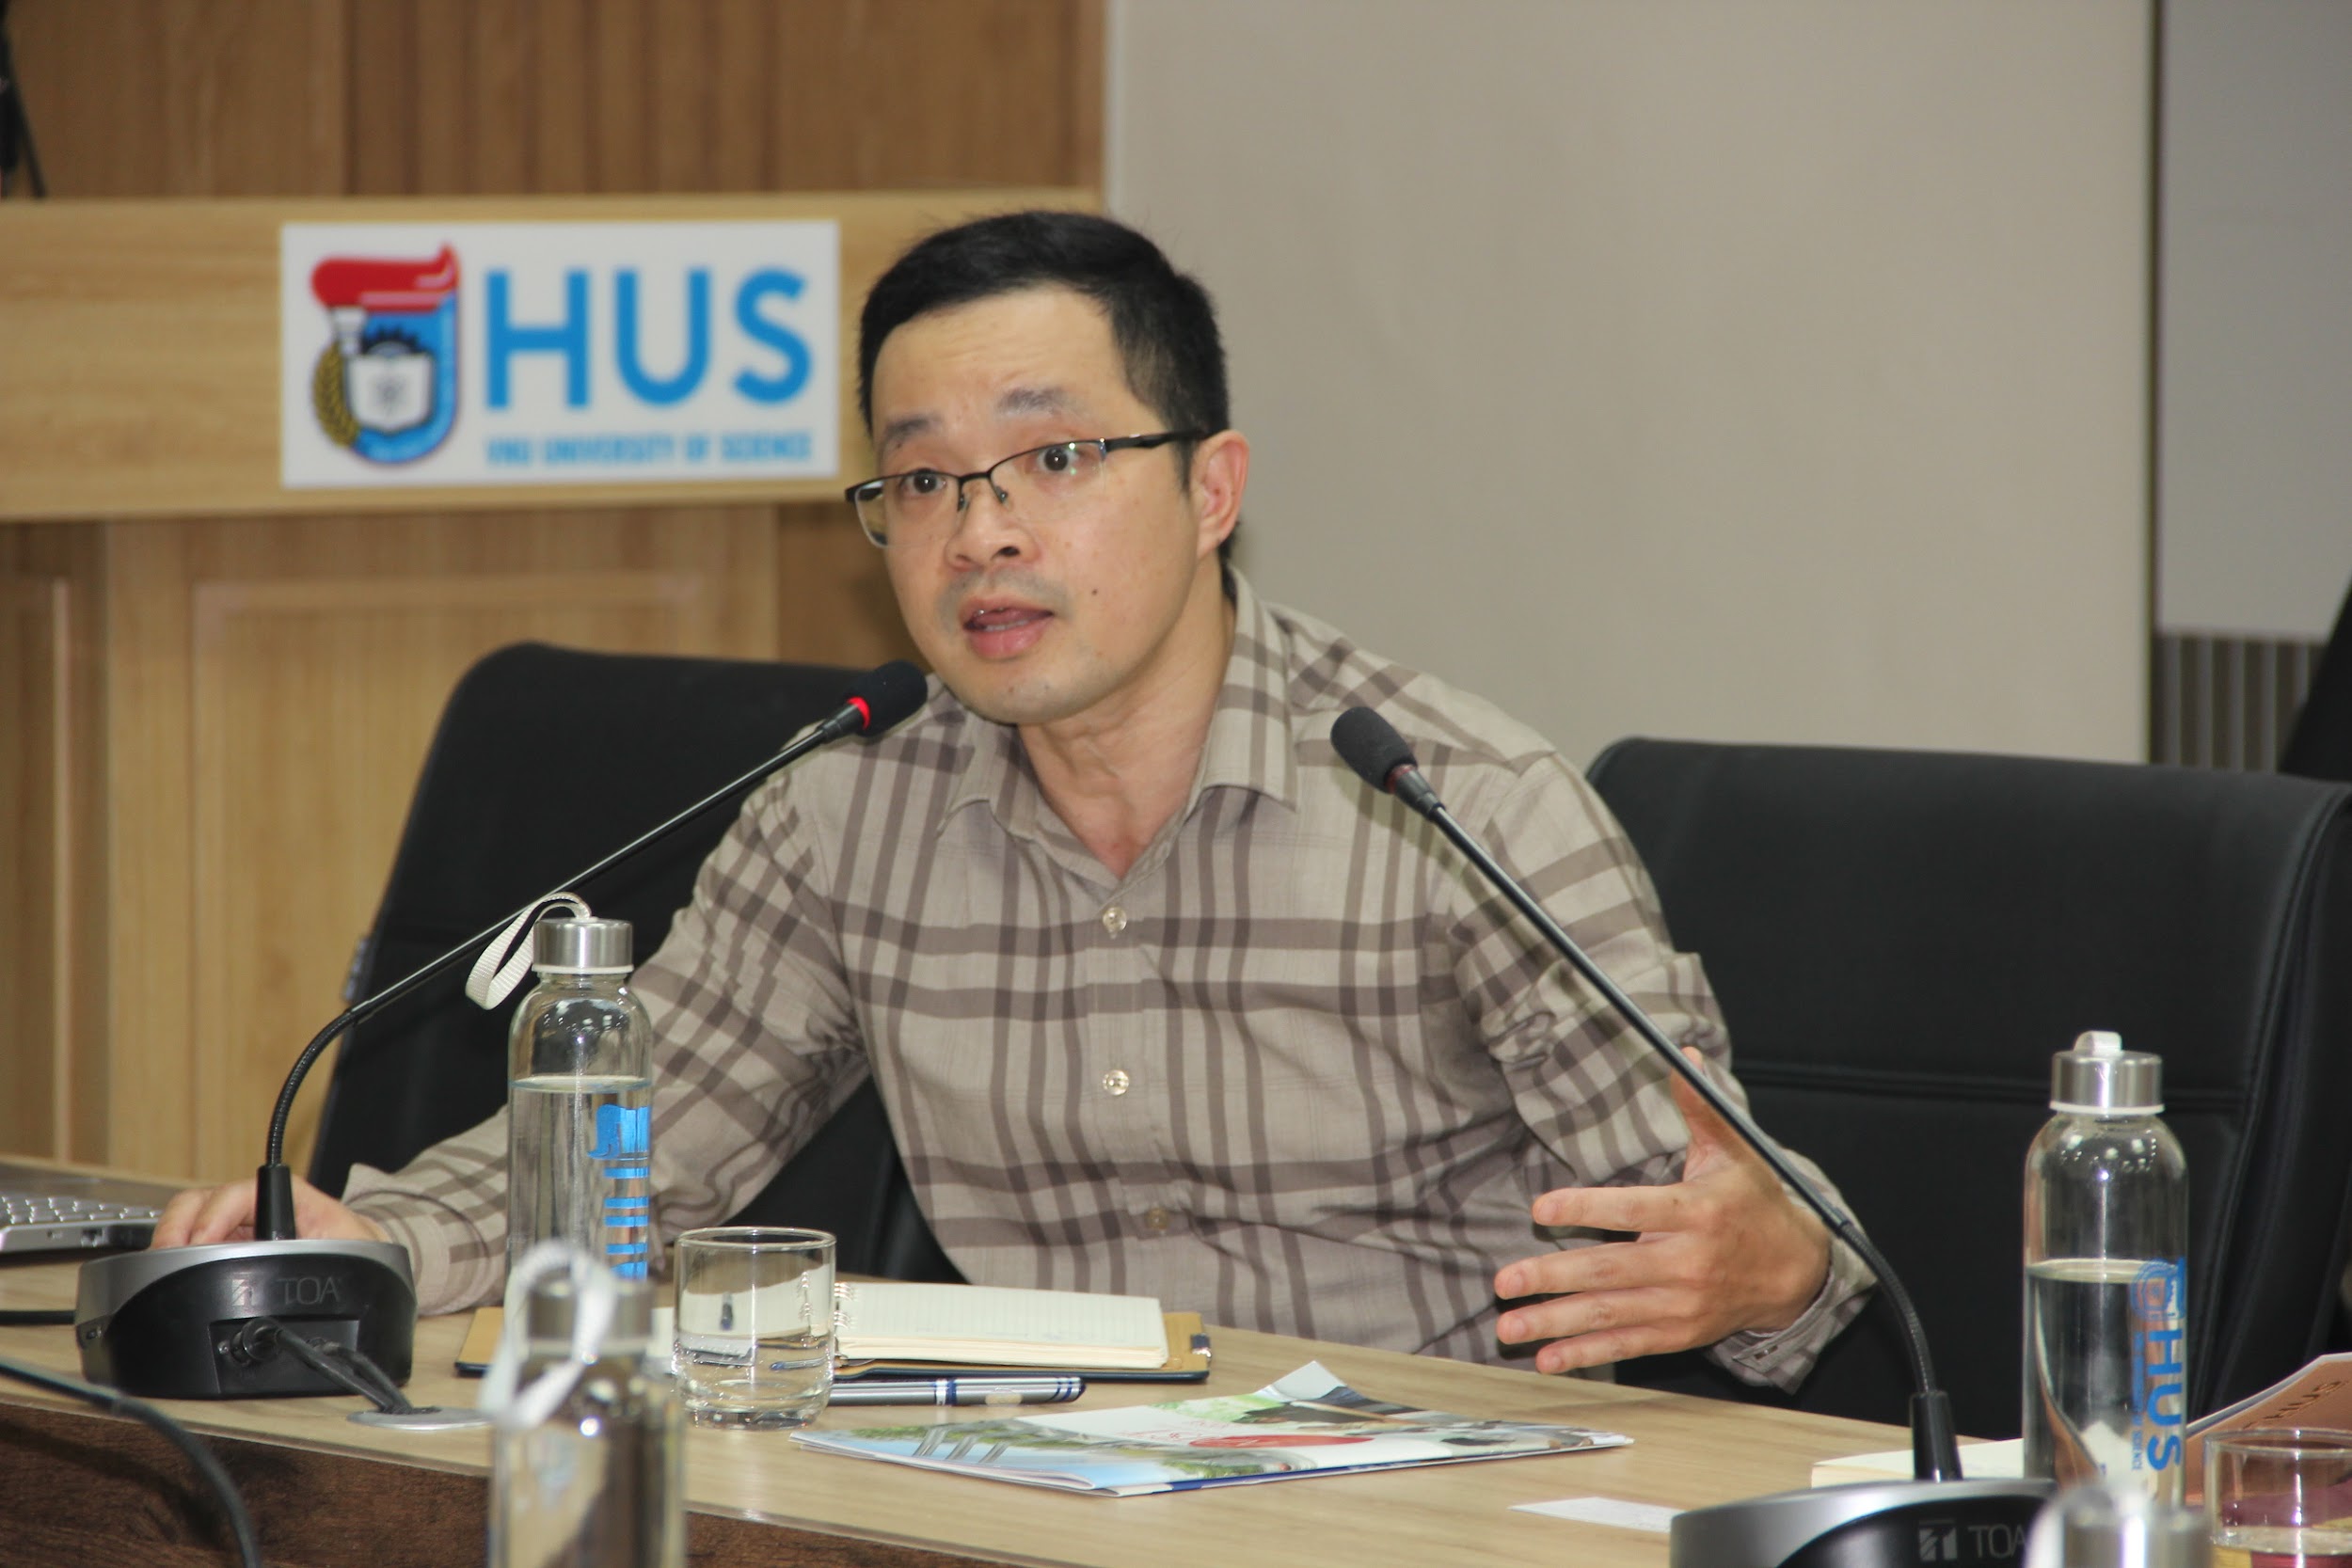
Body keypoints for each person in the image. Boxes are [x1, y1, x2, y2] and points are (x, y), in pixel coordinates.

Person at [157, 210, 1868, 1386]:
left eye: (1054, 459)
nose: (980, 530)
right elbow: (636, 1160)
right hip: (1030, 1497)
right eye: (920, 480)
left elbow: (1751, 1235)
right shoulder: (847, 814)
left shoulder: (1451, 805)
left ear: (1212, 489)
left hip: (1417, 1505)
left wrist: (1776, 1261)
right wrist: (362, 1238)